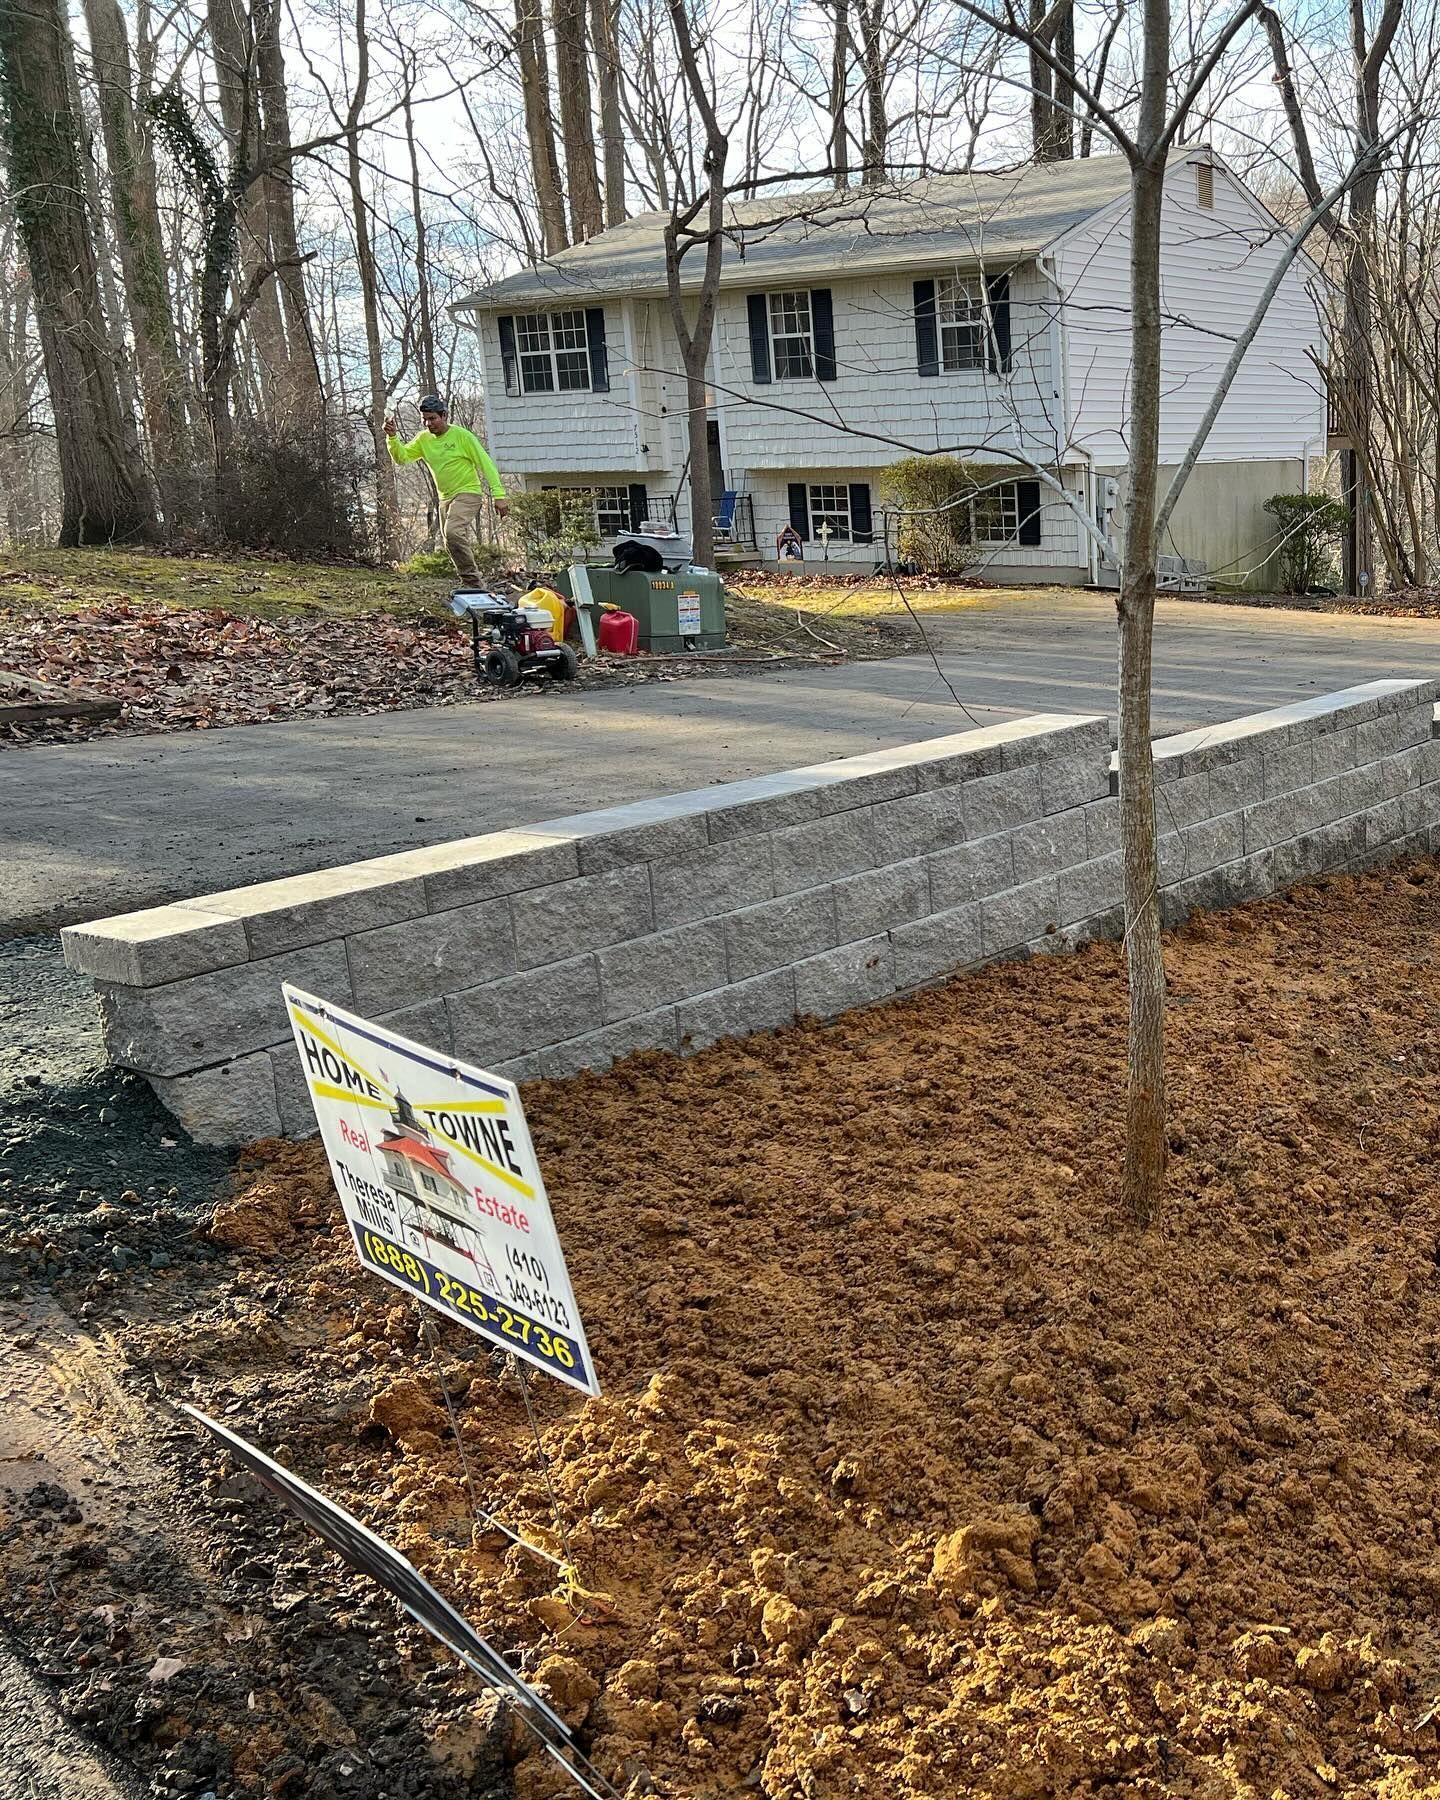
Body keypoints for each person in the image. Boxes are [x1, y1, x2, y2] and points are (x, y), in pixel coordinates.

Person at [384, 395, 509, 588]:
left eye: (432, 418)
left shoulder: (462, 436)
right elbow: (402, 458)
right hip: (445, 498)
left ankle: (474, 583)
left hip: (468, 492)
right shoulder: (423, 439)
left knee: (452, 532)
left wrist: (499, 496)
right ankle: (470, 583)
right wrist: (392, 437)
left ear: (444, 416)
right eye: (424, 419)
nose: (428, 423)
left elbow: (486, 465)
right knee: (448, 540)